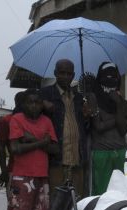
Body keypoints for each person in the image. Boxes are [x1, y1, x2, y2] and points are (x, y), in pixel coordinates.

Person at [9, 89, 59, 210]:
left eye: (37, 102)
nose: (34, 106)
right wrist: (41, 142)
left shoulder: (46, 121)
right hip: (22, 177)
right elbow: (15, 148)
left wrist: (32, 140)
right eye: (30, 102)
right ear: (23, 104)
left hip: (42, 177)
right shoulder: (17, 119)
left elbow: (55, 149)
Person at [40, 59, 89, 197]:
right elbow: (24, 106)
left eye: (69, 73)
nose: (65, 76)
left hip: (77, 159)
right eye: (62, 73)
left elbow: (84, 128)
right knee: (55, 203)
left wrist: (86, 116)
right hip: (56, 160)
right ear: (55, 73)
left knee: (76, 202)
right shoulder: (45, 94)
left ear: (73, 75)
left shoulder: (79, 98)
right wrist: (42, 104)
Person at [89, 62, 127, 195]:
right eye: (107, 75)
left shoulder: (120, 100)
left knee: (121, 192)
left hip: (121, 152)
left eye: (114, 76)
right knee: (101, 193)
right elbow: (99, 127)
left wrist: (119, 103)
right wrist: (123, 115)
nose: (110, 79)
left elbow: (123, 130)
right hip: (101, 153)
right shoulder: (92, 97)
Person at [0, 91, 24, 210]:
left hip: (32, 170)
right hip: (13, 169)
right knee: (14, 207)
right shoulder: (6, 121)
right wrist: (3, 170)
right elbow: (0, 147)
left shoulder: (37, 120)